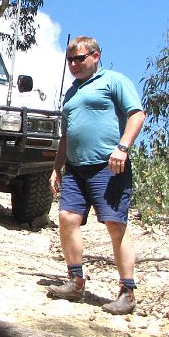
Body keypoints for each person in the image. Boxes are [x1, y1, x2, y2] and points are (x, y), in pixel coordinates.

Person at [47, 36, 146, 315]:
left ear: (96, 56)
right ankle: (76, 281)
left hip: (109, 165)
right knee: (67, 219)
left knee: (115, 225)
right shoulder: (71, 93)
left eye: (80, 58)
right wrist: (56, 168)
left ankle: (127, 292)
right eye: (70, 60)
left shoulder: (113, 80)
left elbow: (137, 115)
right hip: (76, 169)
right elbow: (66, 136)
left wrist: (122, 148)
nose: (75, 64)